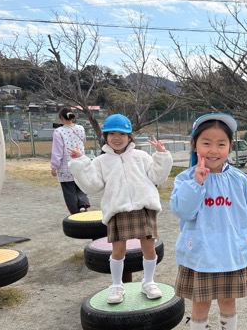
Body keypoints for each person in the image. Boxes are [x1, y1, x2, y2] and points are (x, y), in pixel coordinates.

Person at [170, 113, 247, 330]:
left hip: (231, 255)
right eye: (206, 143)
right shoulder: (186, 179)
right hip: (200, 257)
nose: (213, 150)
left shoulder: (240, 179)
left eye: (221, 144)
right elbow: (182, 210)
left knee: (228, 302)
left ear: (230, 147)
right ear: (194, 145)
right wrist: (197, 183)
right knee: (200, 305)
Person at [69, 114, 173, 304]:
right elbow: (92, 185)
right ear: (105, 136)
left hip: (144, 207)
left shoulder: (141, 156)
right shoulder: (101, 161)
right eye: (112, 134)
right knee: (118, 251)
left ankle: (149, 282)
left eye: (122, 134)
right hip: (117, 210)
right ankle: (117, 286)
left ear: (129, 136)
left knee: (149, 248)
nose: (117, 138)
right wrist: (79, 163)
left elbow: (157, 177)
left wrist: (162, 156)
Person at [50, 107, 91, 214]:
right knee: (80, 187)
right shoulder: (81, 128)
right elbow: (83, 141)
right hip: (80, 164)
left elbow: (57, 151)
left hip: (66, 167)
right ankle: (83, 206)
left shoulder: (58, 132)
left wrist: (54, 167)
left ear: (61, 117)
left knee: (69, 192)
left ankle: (75, 213)